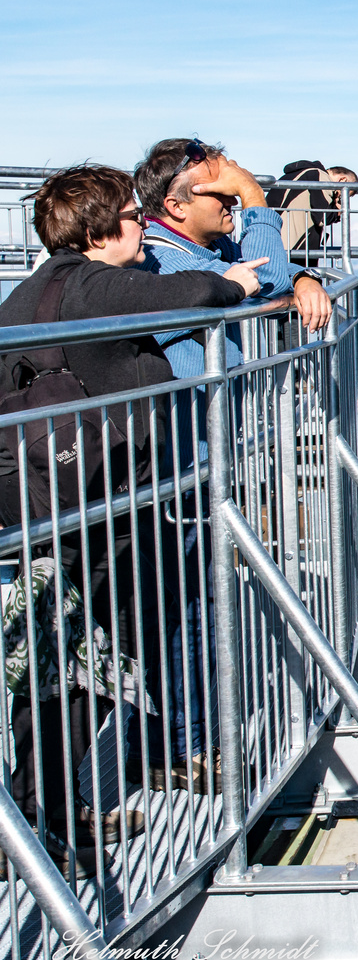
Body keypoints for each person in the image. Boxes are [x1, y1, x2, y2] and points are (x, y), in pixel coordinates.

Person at [0, 165, 259, 861]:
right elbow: (189, 289)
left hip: (47, 508)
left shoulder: (24, 297)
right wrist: (232, 285)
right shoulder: (91, 283)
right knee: (94, 668)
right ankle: (39, 823)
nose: (141, 224)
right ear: (99, 229)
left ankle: (46, 812)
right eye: (131, 215)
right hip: (106, 511)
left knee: (65, 670)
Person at [131, 138, 333, 379]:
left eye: (234, 190)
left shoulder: (211, 245)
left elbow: (266, 268)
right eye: (220, 191)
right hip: (191, 414)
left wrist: (303, 277)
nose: (233, 200)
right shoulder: (164, 261)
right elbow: (270, 281)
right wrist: (253, 194)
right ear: (177, 206)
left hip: (217, 411)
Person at [266, 160, 358, 267]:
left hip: (274, 243)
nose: (338, 198)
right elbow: (323, 217)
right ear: (342, 180)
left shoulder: (301, 174)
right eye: (342, 194)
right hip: (291, 249)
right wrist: (337, 212)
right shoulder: (320, 176)